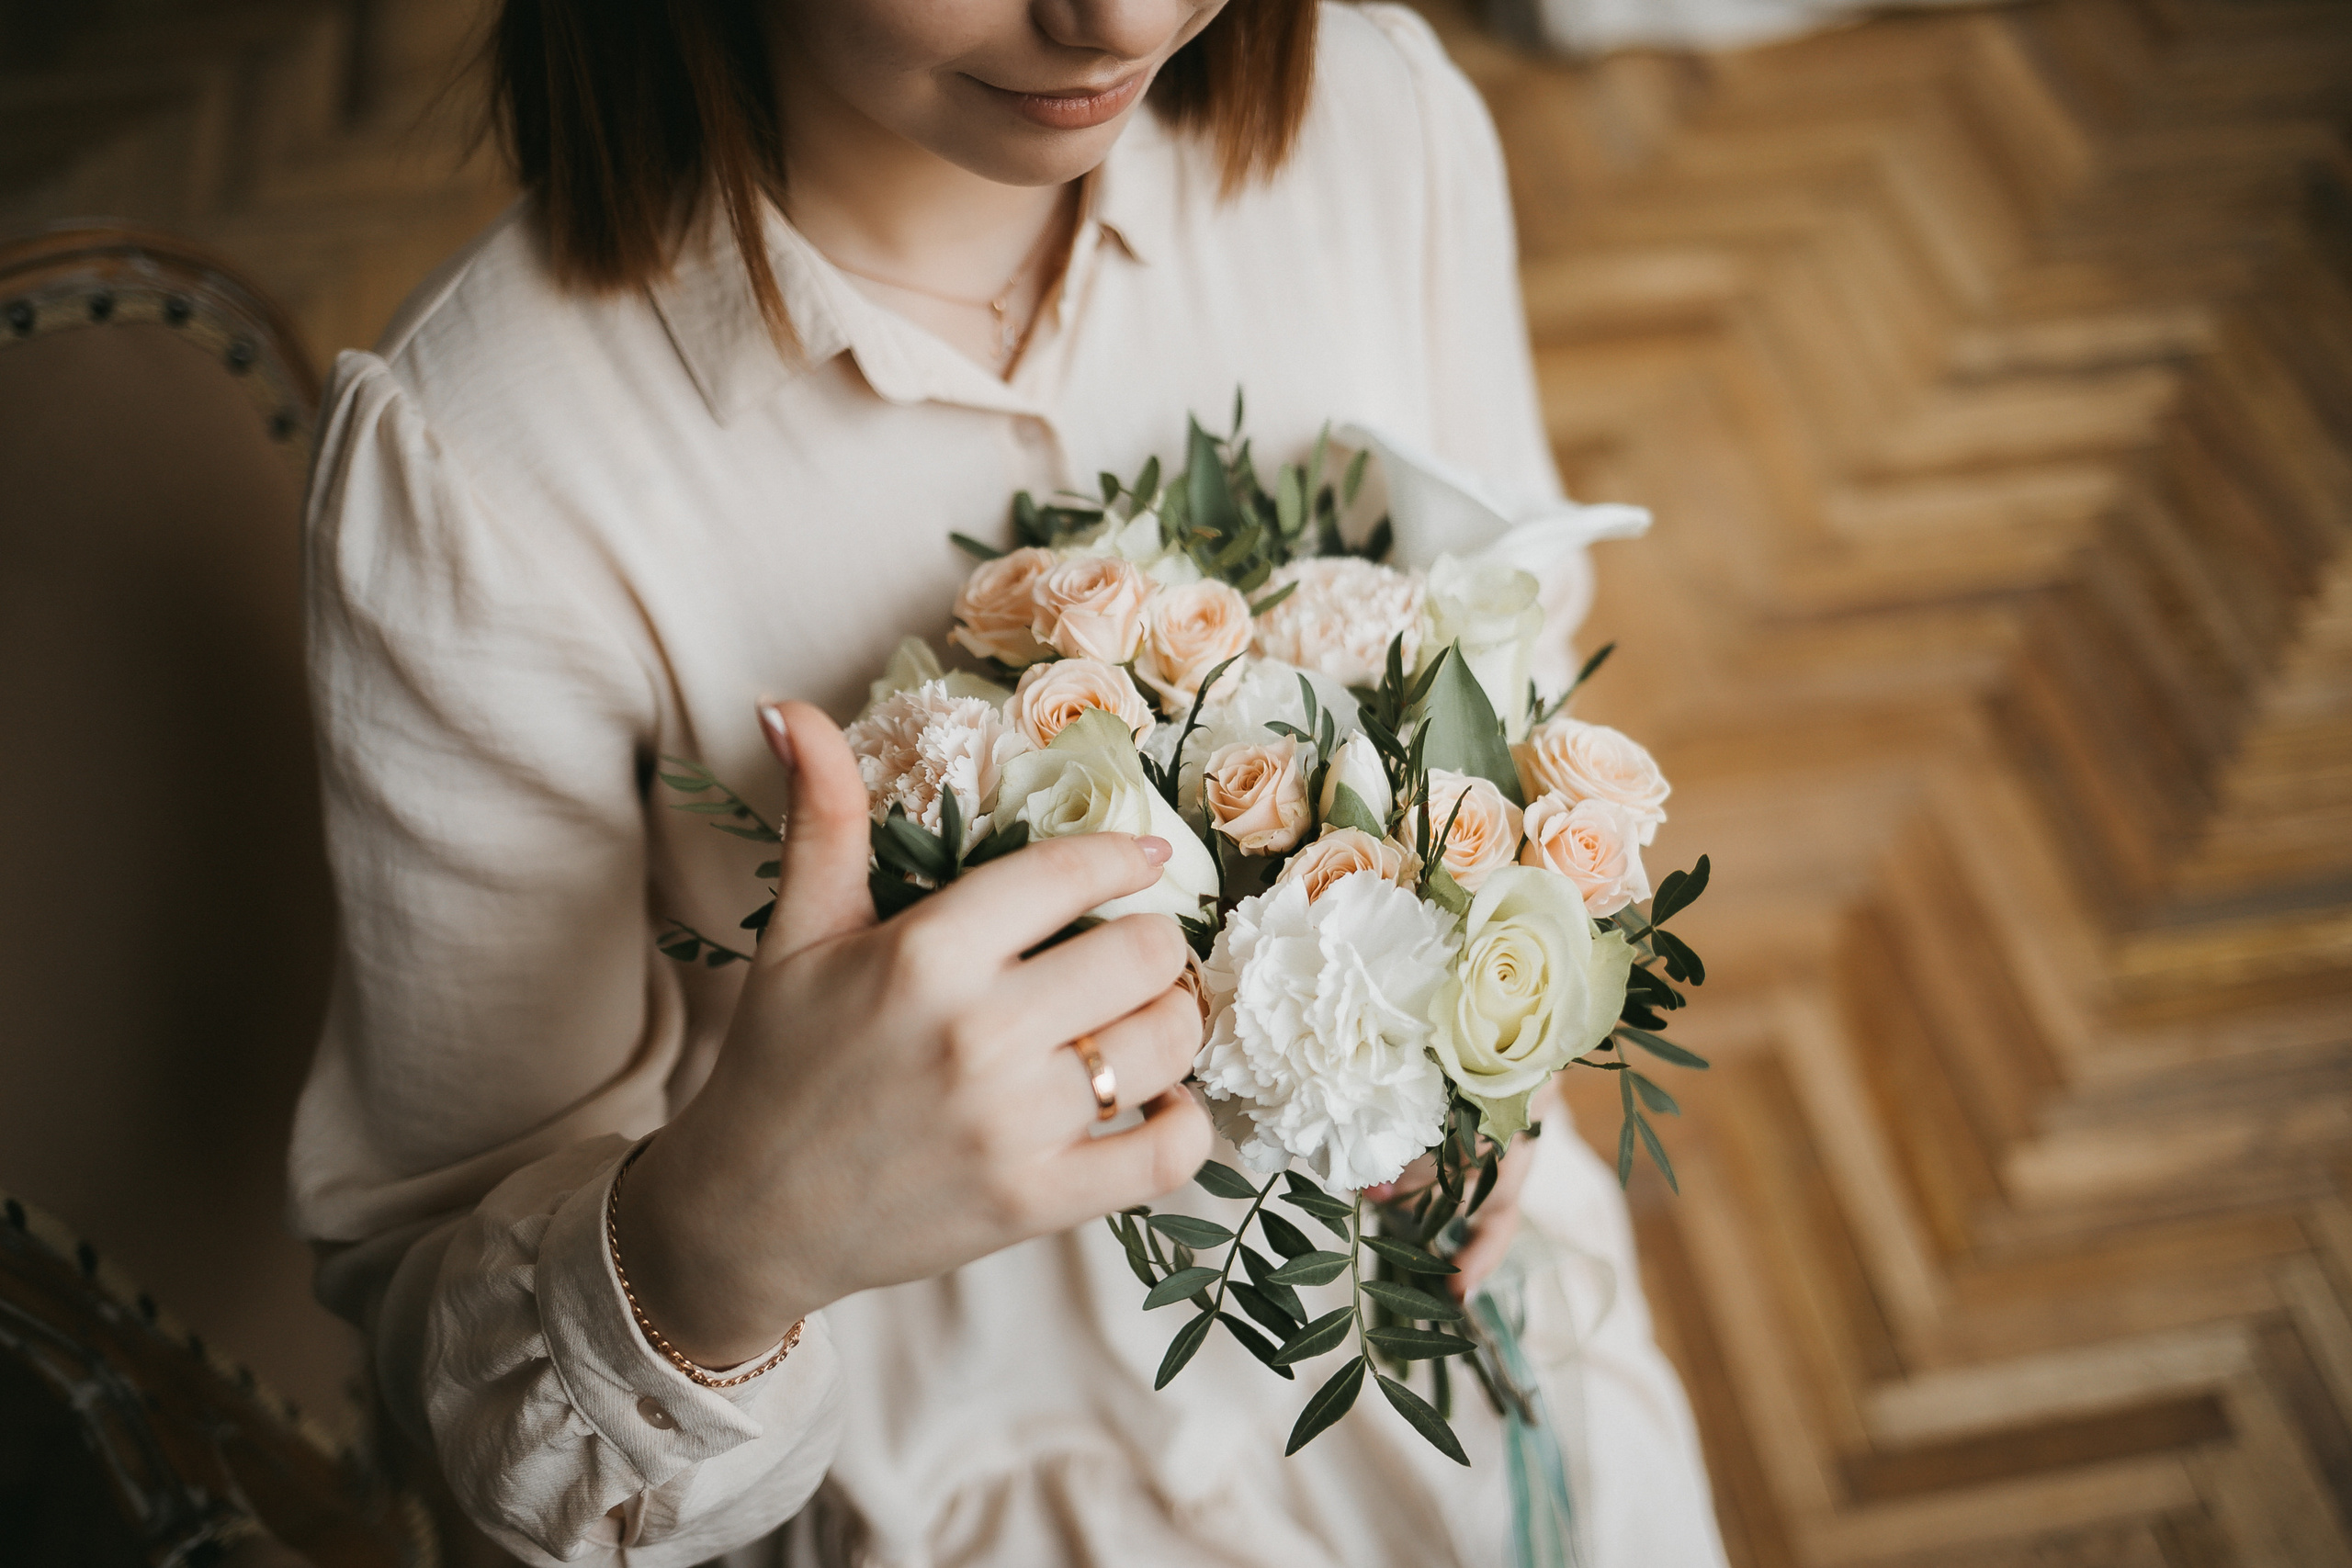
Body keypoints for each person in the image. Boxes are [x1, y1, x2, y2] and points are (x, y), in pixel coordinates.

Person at [288, 2, 1728, 1563]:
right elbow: (458, 1369)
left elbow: (1511, 643)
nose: (1115, 16)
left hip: (1440, 1331)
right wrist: (714, 1248)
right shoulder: (480, 468)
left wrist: (1477, 1039)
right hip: (927, 1466)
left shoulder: (1377, 123)